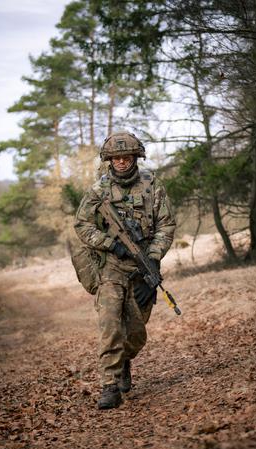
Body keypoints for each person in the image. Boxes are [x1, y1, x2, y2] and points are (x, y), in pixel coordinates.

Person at [74, 131, 176, 409]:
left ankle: (124, 361)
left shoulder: (152, 185)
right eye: (116, 158)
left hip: (142, 268)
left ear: (135, 157)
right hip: (110, 268)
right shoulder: (98, 191)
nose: (121, 162)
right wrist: (109, 243)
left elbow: (166, 225)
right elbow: (82, 225)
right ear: (109, 160)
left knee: (137, 334)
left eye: (126, 157)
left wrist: (152, 260)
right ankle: (110, 386)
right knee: (109, 327)